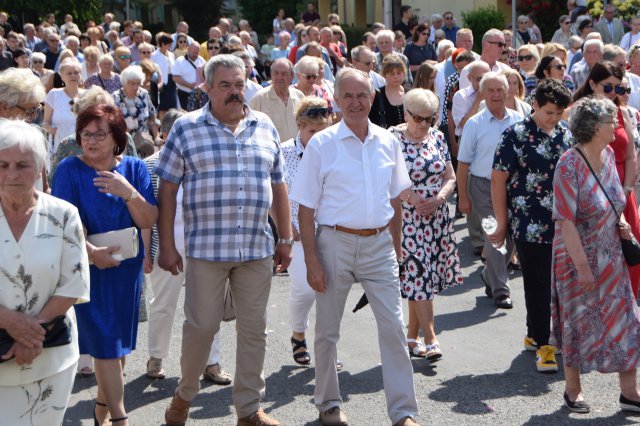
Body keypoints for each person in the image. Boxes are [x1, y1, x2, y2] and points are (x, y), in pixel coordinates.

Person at [156, 54, 292, 426]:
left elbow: (279, 185)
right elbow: (166, 191)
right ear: (207, 88)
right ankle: (184, 395)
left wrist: (286, 237)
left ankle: (249, 408)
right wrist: (167, 245)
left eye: (240, 84)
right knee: (200, 327)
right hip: (206, 249)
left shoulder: (264, 125)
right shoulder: (186, 128)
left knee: (254, 330)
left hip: (256, 247)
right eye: (225, 85)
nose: (235, 92)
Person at [290, 67, 419, 426]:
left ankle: (403, 413)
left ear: (372, 98)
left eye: (361, 95)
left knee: (393, 327)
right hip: (334, 242)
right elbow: (305, 207)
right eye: (347, 95)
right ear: (336, 99)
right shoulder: (321, 144)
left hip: (379, 245)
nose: (355, 102)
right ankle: (329, 405)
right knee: (327, 330)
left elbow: (395, 199)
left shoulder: (388, 141)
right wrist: (312, 260)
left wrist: (396, 246)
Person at [51, 104, 157, 425]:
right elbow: (62, 224)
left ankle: (101, 408)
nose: (91, 140)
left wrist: (128, 193)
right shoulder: (70, 169)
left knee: (119, 347)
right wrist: (90, 251)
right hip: (89, 268)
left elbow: (149, 218)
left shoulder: (135, 169)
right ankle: (120, 419)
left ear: (116, 139)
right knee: (107, 346)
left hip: (126, 270)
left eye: (100, 134)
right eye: (85, 133)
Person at [552, 96, 640, 414]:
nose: (616, 125)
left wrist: (622, 222)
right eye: (611, 120)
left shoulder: (606, 154)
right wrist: (583, 268)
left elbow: (614, 200)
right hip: (578, 258)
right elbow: (564, 220)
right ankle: (573, 391)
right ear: (595, 127)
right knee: (577, 322)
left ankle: (629, 392)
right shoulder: (569, 164)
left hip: (611, 255)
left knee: (626, 320)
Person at [0, 120, 89, 426]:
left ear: (39, 168)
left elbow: (74, 283)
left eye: (22, 164)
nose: (12, 173)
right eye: (2, 164)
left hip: (50, 354)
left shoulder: (63, 214)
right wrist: (11, 323)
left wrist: (29, 334)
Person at [142, 109, 231, 384]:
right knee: (163, 305)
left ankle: (211, 362)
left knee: (208, 308)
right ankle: (156, 356)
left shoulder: (206, 162)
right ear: (166, 136)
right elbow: (146, 213)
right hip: (165, 247)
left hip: (204, 248)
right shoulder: (149, 166)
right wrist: (146, 252)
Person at [491, 79, 573, 373]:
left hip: (564, 224)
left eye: (559, 113)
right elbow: (498, 179)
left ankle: (534, 333)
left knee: (560, 285)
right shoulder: (516, 134)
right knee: (538, 284)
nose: (553, 118)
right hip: (529, 224)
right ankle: (544, 345)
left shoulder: (566, 133)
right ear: (535, 105)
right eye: (549, 112)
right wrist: (502, 223)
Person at [388, 88, 462, 361]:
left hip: (436, 218)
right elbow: (386, 178)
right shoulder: (392, 138)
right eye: (417, 118)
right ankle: (431, 338)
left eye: (428, 119)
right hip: (407, 220)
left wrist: (439, 198)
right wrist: (414, 198)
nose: (423, 124)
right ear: (406, 114)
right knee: (419, 276)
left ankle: (410, 336)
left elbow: (450, 176)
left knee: (423, 279)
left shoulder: (439, 137)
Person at [456, 72, 523, 309]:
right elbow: (463, 163)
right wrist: (463, 197)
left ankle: (489, 275)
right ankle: (501, 290)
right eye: (491, 90)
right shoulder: (474, 124)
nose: (496, 95)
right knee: (495, 235)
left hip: (514, 188)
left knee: (514, 235)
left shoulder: (519, 119)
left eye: (500, 90)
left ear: (508, 92)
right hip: (483, 186)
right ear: (483, 94)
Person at [573, 62, 640, 298]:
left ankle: (628, 309)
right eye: (609, 87)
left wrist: (627, 188)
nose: (614, 94)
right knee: (599, 252)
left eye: (620, 89)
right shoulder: (578, 112)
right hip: (591, 191)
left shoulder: (622, 113)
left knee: (630, 250)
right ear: (592, 84)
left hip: (623, 190)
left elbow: (631, 155)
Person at [281, 97, 333, 367]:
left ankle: (326, 350)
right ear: (300, 126)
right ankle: (298, 333)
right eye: (312, 131)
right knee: (305, 289)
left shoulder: (334, 150)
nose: (317, 137)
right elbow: (274, 191)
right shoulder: (284, 152)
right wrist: (284, 224)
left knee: (329, 292)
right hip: (298, 232)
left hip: (330, 229)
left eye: (322, 131)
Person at [42, 58, 85, 169]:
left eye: (76, 73)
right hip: (59, 148)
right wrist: (50, 129)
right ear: (62, 76)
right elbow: (45, 123)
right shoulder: (54, 94)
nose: (73, 76)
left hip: (83, 147)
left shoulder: (87, 95)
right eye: (69, 73)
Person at [249, 58, 304, 143]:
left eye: (284, 73)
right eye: (276, 73)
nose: (279, 77)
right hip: (273, 153)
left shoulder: (299, 96)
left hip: (298, 152)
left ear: (292, 76)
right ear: (271, 74)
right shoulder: (259, 98)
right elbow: (250, 128)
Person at [112, 65, 159, 147]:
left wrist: (156, 137)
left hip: (144, 143)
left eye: (138, 83)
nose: (136, 87)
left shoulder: (144, 94)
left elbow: (152, 117)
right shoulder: (115, 97)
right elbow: (111, 124)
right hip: (124, 144)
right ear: (124, 83)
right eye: (132, 84)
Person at [369, 55, 406, 128]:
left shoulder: (410, 94)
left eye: (399, 73)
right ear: (384, 75)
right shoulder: (376, 96)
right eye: (392, 74)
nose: (396, 77)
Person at [172, 42, 205, 109]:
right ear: (188, 49)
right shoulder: (180, 61)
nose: (195, 54)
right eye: (193, 52)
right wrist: (191, 86)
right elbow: (175, 78)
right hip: (184, 94)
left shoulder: (201, 60)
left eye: (197, 52)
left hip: (199, 95)